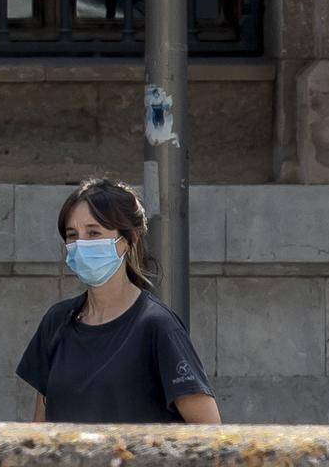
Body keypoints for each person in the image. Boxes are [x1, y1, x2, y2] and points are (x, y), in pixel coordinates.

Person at [17, 177, 220, 425]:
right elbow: (40, 429)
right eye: (72, 235)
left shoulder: (157, 327)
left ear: (128, 239)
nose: (81, 245)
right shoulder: (56, 322)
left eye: (94, 233)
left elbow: (209, 432)